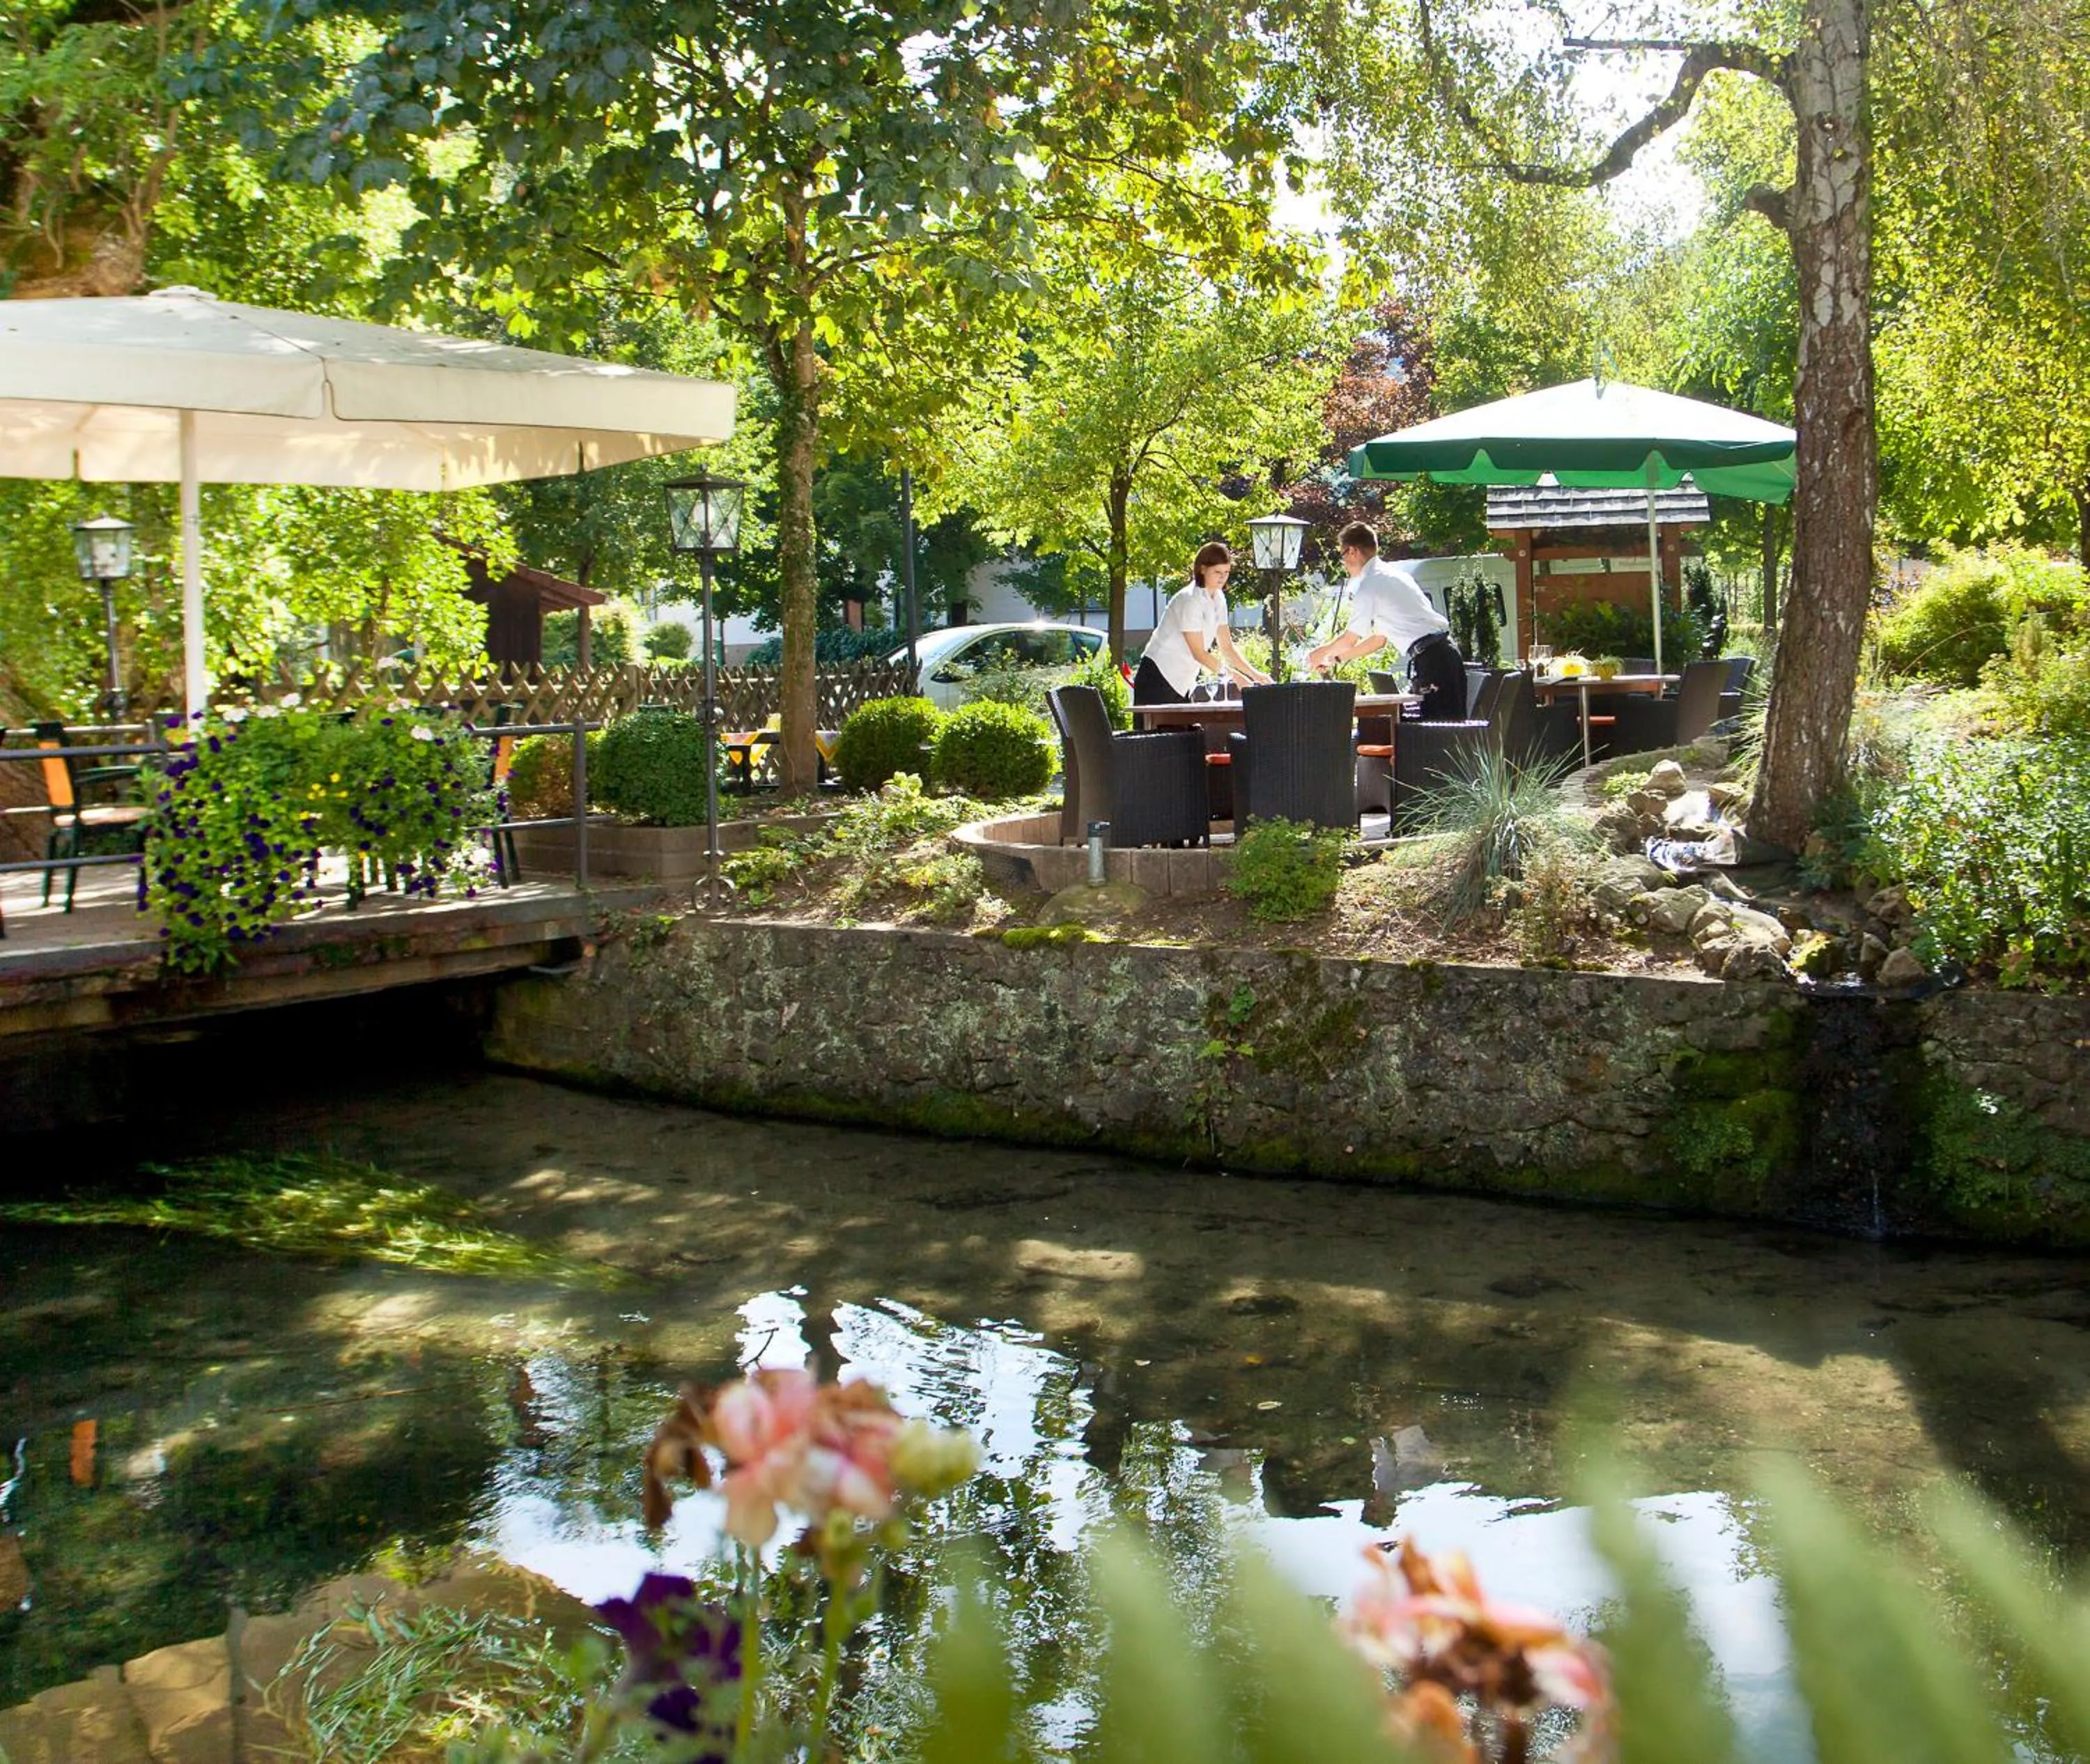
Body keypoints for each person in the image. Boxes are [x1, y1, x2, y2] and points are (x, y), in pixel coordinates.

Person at [1305, 521, 1466, 720]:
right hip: (1442, 655)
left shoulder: (1370, 585)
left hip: (1432, 659)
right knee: (1448, 731)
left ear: (1353, 551)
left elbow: (1349, 640)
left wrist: (1318, 654)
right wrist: (1336, 658)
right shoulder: (1394, 576)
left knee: (1439, 733)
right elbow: (1378, 640)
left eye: (1342, 555)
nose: (1343, 562)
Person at [1131, 541, 1274, 704]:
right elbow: (1198, 653)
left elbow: (1227, 647)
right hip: (1157, 677)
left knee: (1189, 729)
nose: (1222, 578)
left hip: (1183, 683)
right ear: (1202, 569)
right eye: (1217, 572)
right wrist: (1235, 677)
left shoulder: (1219, 599)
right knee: (1155, 730)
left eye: (1226, 572)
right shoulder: (1189, 599)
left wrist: (1256, 675)